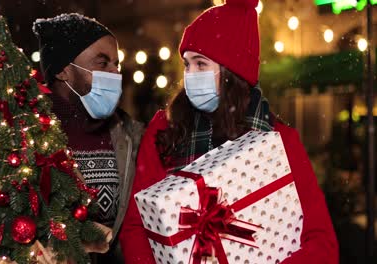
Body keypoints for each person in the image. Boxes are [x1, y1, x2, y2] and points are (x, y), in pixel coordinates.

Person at [119, 1, 339, 263]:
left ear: (232, 72)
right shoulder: (166, 130)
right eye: (187, 65)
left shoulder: (278, 141)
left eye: (201, 64)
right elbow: (136, 227)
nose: (190, 75)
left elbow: (321, 241)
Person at [0, 13, 143, 264]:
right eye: (102, 63)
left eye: (117, 63)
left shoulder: (130, 138)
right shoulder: (4, 139)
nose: (115, 72)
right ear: (63, 70)